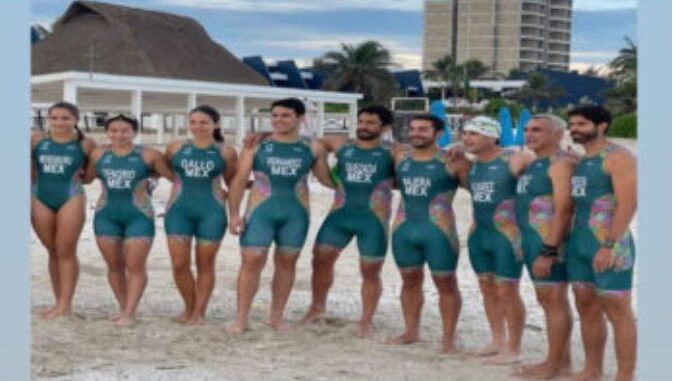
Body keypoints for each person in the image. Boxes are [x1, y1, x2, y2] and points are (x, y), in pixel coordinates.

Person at [226, 97, 333, 334]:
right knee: (252, 260)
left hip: (296, 214)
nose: (278, 120)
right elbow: (240, 179)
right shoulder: (256, 145)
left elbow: (326, 179)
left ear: (300, 118)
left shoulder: (312, 147)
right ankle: (241, 319)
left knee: (286, 262)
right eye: (274, 116)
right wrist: (233, 214)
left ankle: (276, 317)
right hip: (260, 211)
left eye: (285, 115)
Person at [299, 105, 396, 338]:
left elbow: (425, 155)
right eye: (361, 121)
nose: (363, 126)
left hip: (373, 219)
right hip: (340, 214)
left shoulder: (393, 152)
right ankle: (316, 307)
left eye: (371, 122)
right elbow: (315, 143)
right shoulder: (342, 145)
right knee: (320, 258)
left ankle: (366, 320)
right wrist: (324, 172)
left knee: (370, 270)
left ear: (385, 127)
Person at [384, 114, 466, 354]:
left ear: (438, 133)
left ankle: (449, 338)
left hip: (439, 231)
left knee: (446, 283)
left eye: (423, 129)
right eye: (413, 129)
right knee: (409, 281)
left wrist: (460, 146)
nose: (416, 133)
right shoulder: (400, 155)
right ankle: (411, 332)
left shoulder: (453, 160)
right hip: (404, 229)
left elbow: (484, 192)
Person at [566, 105, 636, 381]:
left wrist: (608, 245)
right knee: (585, 306)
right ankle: (592, 370)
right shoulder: (581, 160)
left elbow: (628, 203)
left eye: (582, 124)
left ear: (602, 125)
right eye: (572, 124)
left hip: (610, 243)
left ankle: (624, 376)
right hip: (579, 243)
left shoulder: (618, 157)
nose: (575, 129)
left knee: (618, 311)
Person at [84, 114, 173, 326]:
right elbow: (87, 178)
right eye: (113, 130)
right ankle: (124, 307)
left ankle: (130, 312)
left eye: (124, 130)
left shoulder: (149, 155)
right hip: (106, 215)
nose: (119, 135)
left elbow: (174, 177)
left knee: (135, 265)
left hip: (139, 216)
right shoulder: (98, 154)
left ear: (134, 132)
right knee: (114, 265)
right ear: (107, 132)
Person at [460, 116, 533, 364]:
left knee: (507, 289)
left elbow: (545, 170)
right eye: (465, 133)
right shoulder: (473, 164)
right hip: (479, 234)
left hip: (507, 235)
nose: (467, 138)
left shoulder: (514, 158)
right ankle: (497, 340)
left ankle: (514, 347)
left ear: (492, 137)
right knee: (486, 287)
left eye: (474, 134)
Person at [512, 114, 577, 379]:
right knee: (548, 300)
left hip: (549, 241)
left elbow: (563, 209)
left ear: (557, 134)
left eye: (537, 130)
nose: (529, 134)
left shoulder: (560, 164)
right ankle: (562, 362)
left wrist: (549, 250)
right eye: (527, 129)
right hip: (532, 239)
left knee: (554, 300)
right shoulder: (534, 164)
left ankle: (554, 364)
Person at [164, 105, 238, 325]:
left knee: (205, 264)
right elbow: (162, 169)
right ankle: (189, 306)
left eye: (204, 122)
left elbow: (233, 182)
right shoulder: (175, 147)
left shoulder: (226, 151)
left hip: (212, 212)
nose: (198, 126)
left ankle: (199, 312)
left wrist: (235, 209)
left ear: (215, 124)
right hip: (179, 211)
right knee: (179, 264)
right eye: (193, 122)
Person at [31, 101, 97, 319]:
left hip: (71, 197)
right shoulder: (37, 140)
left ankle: (65, 305)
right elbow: (30, 173)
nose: (59, 122)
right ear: (48, 119)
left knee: (66, 251)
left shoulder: (86, 144)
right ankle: (58, 301)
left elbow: (88, 178)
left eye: (65, 118)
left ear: (76, 120)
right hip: (40, 197)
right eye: (55, 118)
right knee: (52, 251)